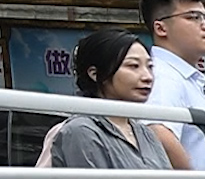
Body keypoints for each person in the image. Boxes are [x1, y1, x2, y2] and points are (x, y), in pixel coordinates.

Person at [48, 31, 175, 170]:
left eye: (150, 66)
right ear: (95, 74)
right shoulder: (81, 131)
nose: (147, 77)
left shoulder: (145, 132)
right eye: (133, 66)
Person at [140, 0, 205, 169]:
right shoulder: (163, 76)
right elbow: (157, 132)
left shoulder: (182, 76)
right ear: (161, 28)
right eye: (193, 17)